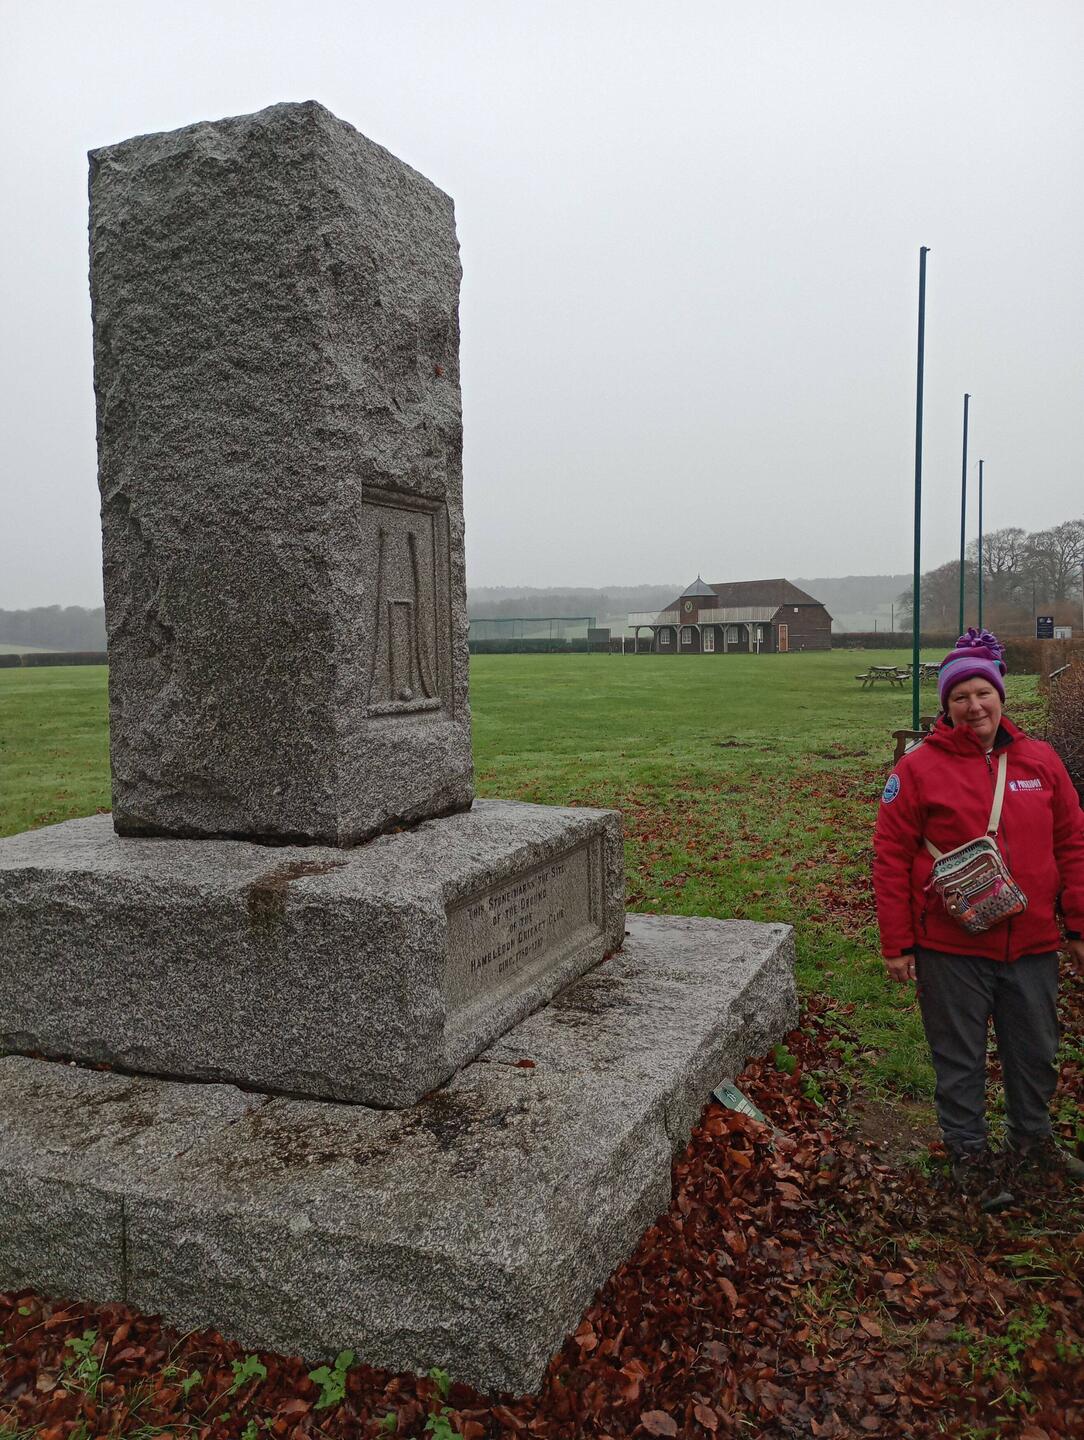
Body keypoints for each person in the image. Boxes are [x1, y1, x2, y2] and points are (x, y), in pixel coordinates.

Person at [873, 628, 1084, 1209]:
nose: (974, 706)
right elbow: (890, 856)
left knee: (1036, 1050)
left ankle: (1032, 1141)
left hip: (1035, 942)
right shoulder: (917, 770)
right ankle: (969, 1156)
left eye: (982, 693)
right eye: (960, 696)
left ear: (1001, 696)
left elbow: (1072, 843)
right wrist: (898, 943)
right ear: (946, 706)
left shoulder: (1041, 762)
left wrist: (1078, 925)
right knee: (960, 1057)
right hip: (951, 947)